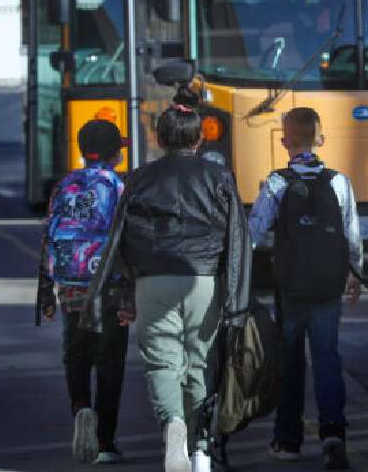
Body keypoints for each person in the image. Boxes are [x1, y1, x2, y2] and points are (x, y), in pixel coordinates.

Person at [83, 88, 250, 472]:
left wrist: (123, 291)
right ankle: (200, 447)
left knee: (161, 364)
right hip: (203, 281)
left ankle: (172, 423)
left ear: (160, 139)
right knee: (200, 363)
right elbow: (238, 236)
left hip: (153, 281)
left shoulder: (140, 179)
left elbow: (120, 238)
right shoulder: (219, 177)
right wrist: (236, 300)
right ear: (199, 137)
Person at [249, 107, 362, 470]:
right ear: (321, 140)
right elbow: (352, 233)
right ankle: (333, 434)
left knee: (291, 362)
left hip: (291, 289)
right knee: (328, 358)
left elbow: (254, 231)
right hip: (328, 288)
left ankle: (288, 438)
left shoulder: (277, 182)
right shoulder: (339, 181)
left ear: (284, 142)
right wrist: (355, 274)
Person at [36, 120, 129, 464]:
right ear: (115, 154)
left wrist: (47, 292)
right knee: (109, 360)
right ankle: (105, 441)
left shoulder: (64, 186)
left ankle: (81, 407)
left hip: (71, 284)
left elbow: (48, 235)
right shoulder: (118, 187)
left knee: (76, 354)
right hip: (107, 286)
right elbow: (126, 239)